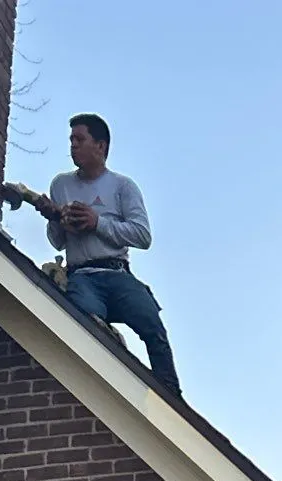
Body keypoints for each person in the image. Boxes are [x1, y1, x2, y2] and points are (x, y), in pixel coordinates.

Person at [34, 113, 180, 391]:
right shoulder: (61, 185)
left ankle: (172, 396)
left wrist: (97, 222)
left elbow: (142, 235)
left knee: (152, 326)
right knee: (86, 325)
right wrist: (54, 218)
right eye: (71, 140)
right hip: (81, 274)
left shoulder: (122, 186)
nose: (73, 146)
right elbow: (57, 242)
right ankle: (97, 391)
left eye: (80, 139)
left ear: (100, 146)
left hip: (117, 273)